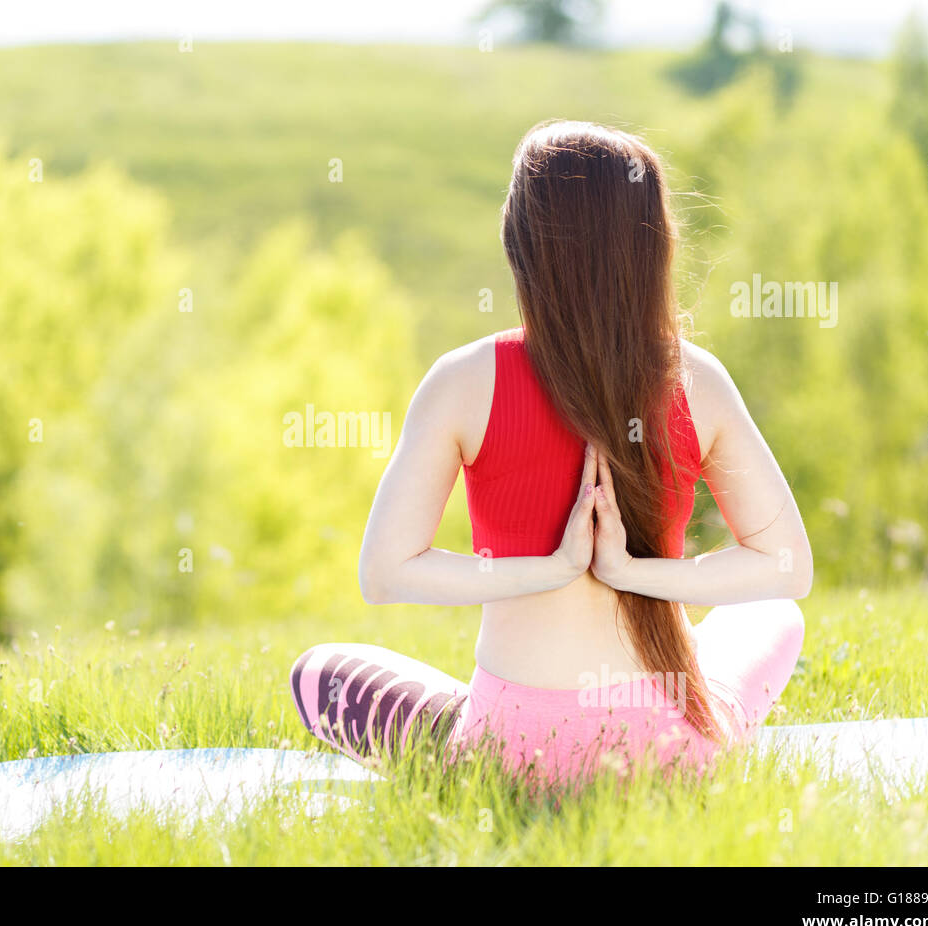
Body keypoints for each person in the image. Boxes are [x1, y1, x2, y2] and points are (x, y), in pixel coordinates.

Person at [288, 120, 811, 791]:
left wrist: (547, 570)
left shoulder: (462, 379)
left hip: (509, 758)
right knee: (773, 616)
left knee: (318, 673)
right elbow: (786, 569)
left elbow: (384, 575)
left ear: (520, 243)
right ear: (654, 247)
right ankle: (692, 722)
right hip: (672, 754)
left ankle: (457, 737)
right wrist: (635, 572)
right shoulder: (695, 379)